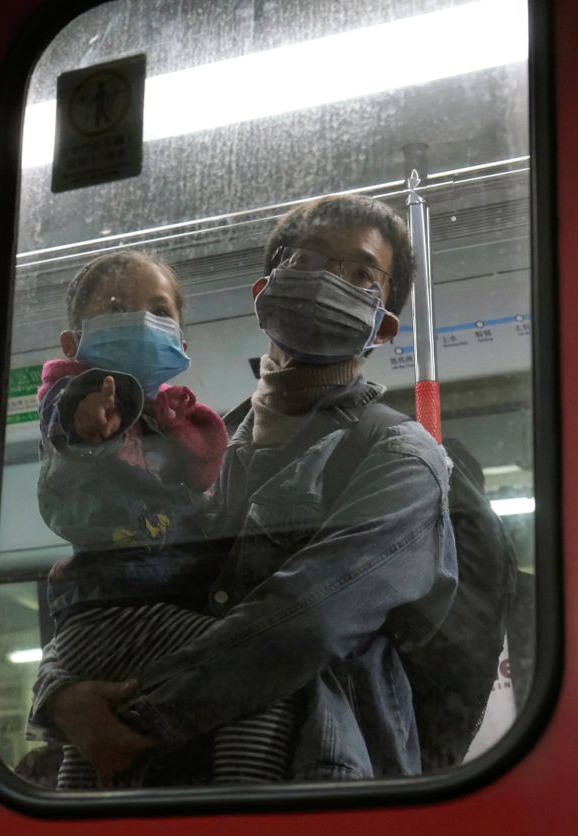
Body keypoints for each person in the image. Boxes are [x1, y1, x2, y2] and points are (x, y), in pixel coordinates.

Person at [30, 196, 458, 785]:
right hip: (162, 788)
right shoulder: (200, 450)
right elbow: (108, 583)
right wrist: (59, 697)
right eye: (306, 260)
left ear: (383, 326)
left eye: (359, 274)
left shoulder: (400, 459)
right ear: (266, 290)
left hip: (319, 790)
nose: (326, 282)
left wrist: (122, 715)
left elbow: (302, 624)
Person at [31, 248, 297, 788]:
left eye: (157, 308)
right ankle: (244, 810)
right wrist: (87, 427)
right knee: (258, 671)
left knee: (98, 753)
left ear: (182, 341)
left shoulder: (173, 424)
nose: (140, 319)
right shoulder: (82, 401)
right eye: (115, 307)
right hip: (114, 612)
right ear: (72, 344)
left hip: (122, 622)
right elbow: (64, 432)